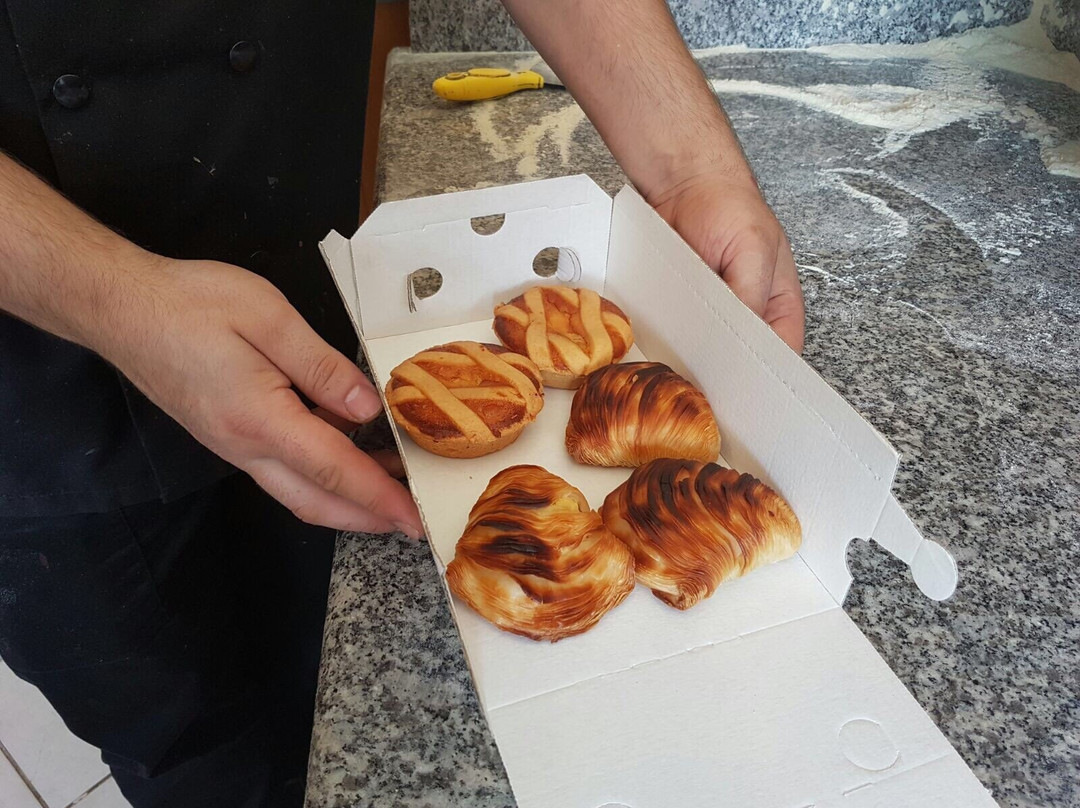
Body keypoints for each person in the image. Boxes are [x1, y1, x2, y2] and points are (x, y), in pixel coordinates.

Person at [0, 1, 804, 806]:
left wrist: (692, 174)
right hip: (43, 401)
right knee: (190, 737)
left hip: (313, 288)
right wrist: (115, 298)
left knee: (325, 662)